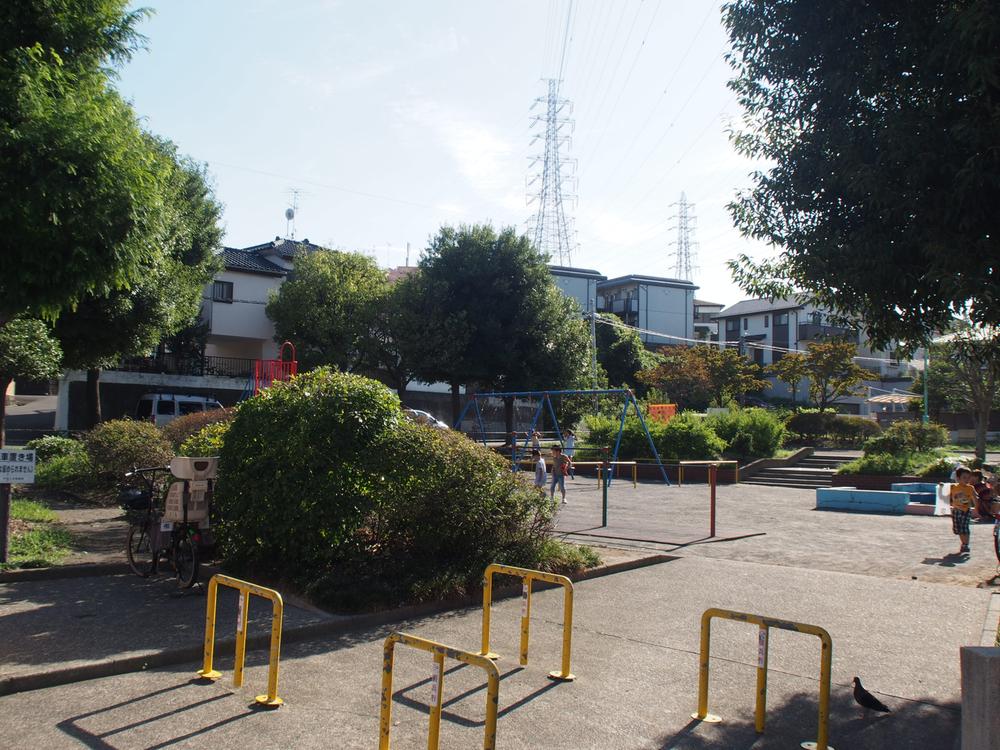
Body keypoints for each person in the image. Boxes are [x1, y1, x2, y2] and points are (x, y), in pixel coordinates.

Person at [949, 467, 977, 554]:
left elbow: (975, 498)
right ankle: (963, 543)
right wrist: (941, 486)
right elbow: (943, 491)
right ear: (958, 478)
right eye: (964, 477)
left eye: (968, 478)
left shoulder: (970, 488)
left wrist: (977, 508)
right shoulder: (953, 487)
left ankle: (965, 544)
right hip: (956, 510)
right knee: (958, 529)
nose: (967, 480)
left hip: (966, 510)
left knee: (964, 528)